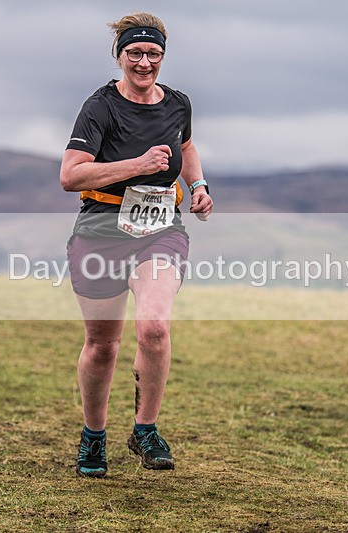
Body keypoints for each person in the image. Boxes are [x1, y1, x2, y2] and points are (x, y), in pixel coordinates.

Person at [60, 11, 212, 478]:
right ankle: (93, 437)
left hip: (161, 227)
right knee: (103, 346)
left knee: (154, 328)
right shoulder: (100, 106)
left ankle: (145, 429)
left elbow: (184, 147)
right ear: (119, 55)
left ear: (163, 57)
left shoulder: (179, 103)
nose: (144, 62)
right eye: (135, 53)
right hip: (102, 227)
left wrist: (200, 184)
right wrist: (137, 164)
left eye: (153, 54)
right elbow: (70, 175)